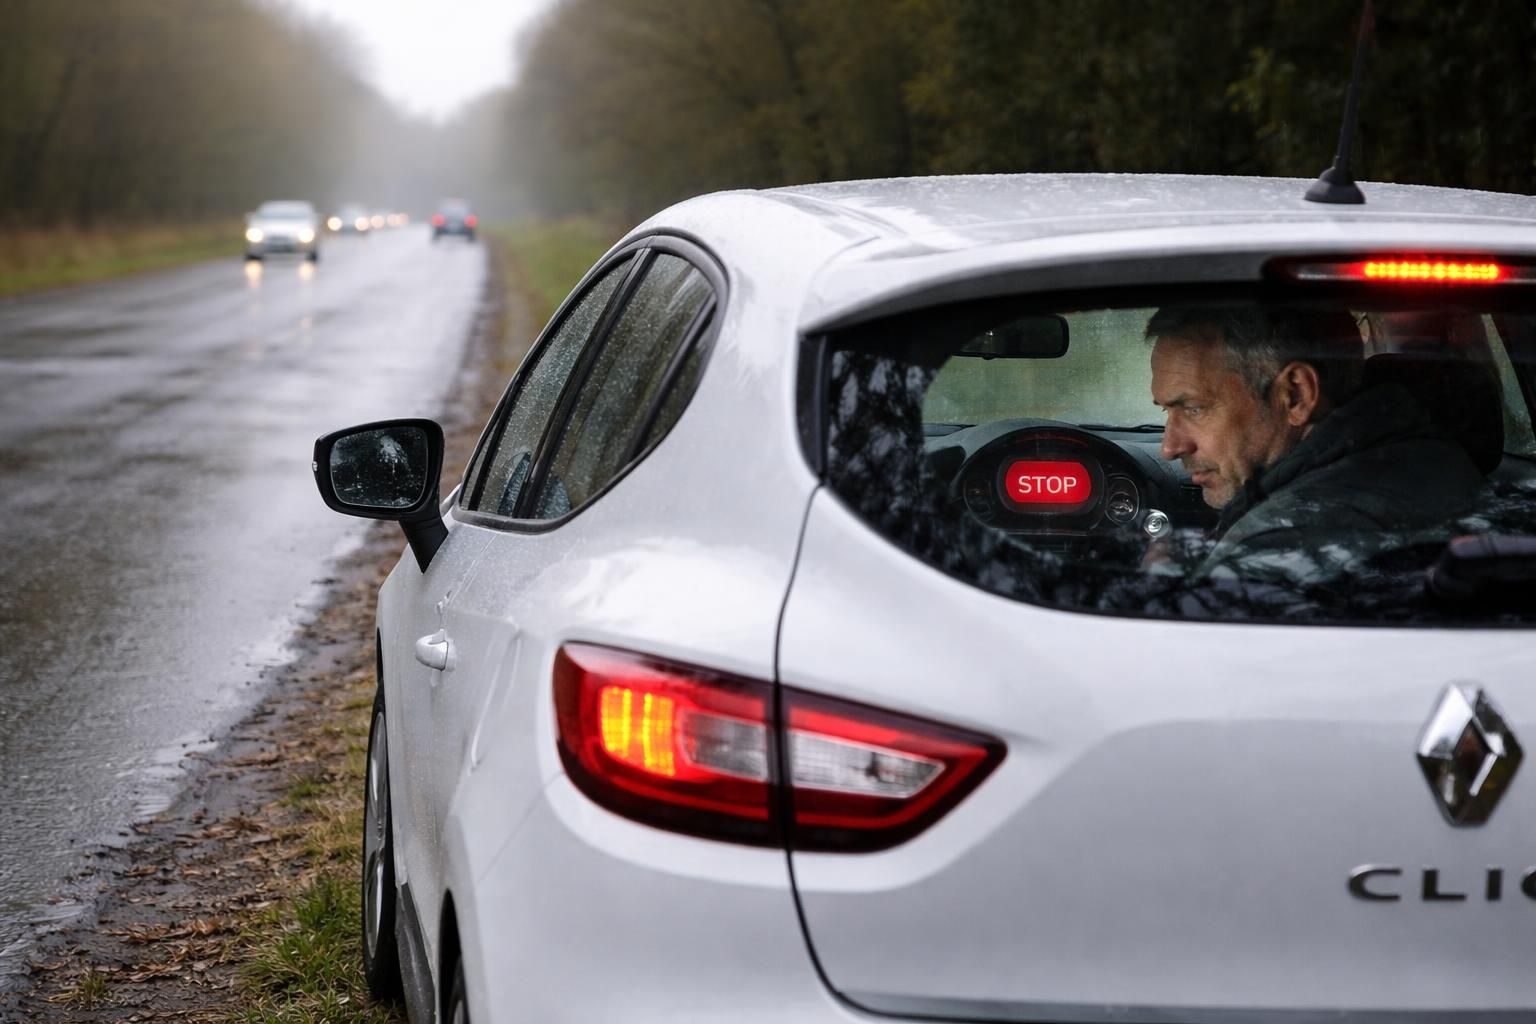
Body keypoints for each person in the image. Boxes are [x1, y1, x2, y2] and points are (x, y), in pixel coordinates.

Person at [1145, 305, 1488, 582]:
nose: (1170, 447)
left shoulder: (1283, 543)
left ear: (1295, 394)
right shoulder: (1436, 459)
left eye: (1193, 409)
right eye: (1167, 411)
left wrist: (1161, 585)